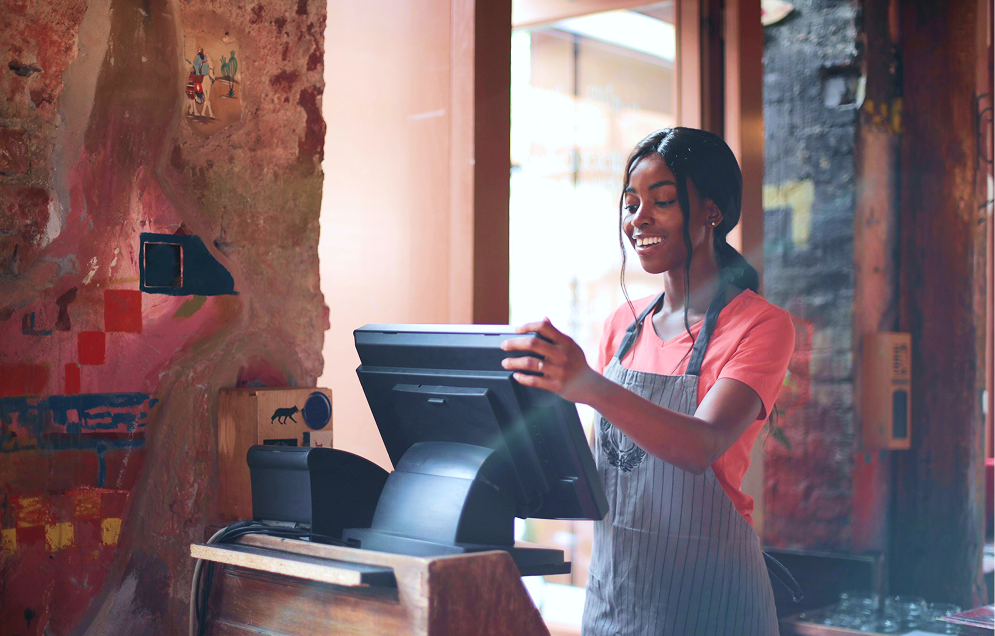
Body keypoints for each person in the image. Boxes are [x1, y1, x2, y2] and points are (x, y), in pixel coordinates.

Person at [501, 128, 798, 635]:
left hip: (713, 605)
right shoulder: (622, 325)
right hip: (617, 599)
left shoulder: (760, 326)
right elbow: (604, 471)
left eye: (661, 202)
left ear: (711, 211)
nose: (639, 219)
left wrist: (587, 384)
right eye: (631, 203)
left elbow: (700, 445)